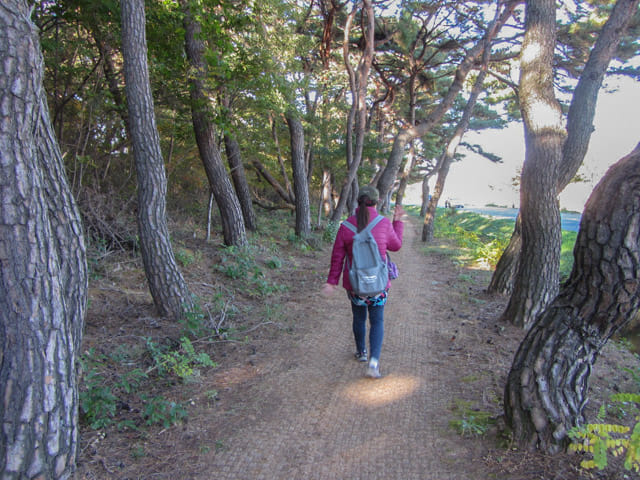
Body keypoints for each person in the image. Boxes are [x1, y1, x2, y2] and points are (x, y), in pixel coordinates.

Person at [321, 186, 405, 378]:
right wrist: (398, 222)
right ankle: (374, 362)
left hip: (356, 286)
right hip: (379, 286)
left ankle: (361, 353)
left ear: (358, 202)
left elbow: (337, 257)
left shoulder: (346, 226)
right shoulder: (383, 224)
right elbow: (396, 245)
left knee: (358, 318)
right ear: (377, 201)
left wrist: (332, 282)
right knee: (377, 321)